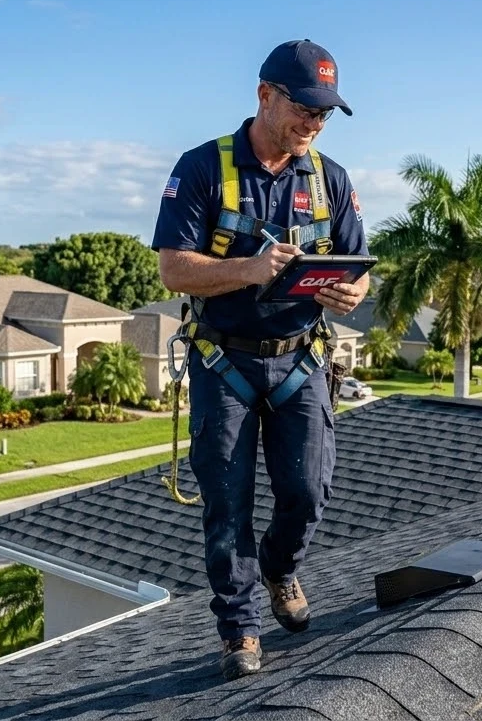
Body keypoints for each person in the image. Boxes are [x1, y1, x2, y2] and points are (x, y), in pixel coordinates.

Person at [150, 39, 370, 680]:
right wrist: (247, 269)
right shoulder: (202, 169)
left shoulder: (331, 179)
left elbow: (359, 277)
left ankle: (280, 566)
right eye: (305, 107)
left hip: (301, 360)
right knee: (228, 503)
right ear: (265, 95)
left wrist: (349, 294)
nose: (314, 123)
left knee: (307, 491)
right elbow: (172, 269)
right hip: (226, 365)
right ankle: (239, 629)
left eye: (326, 113)